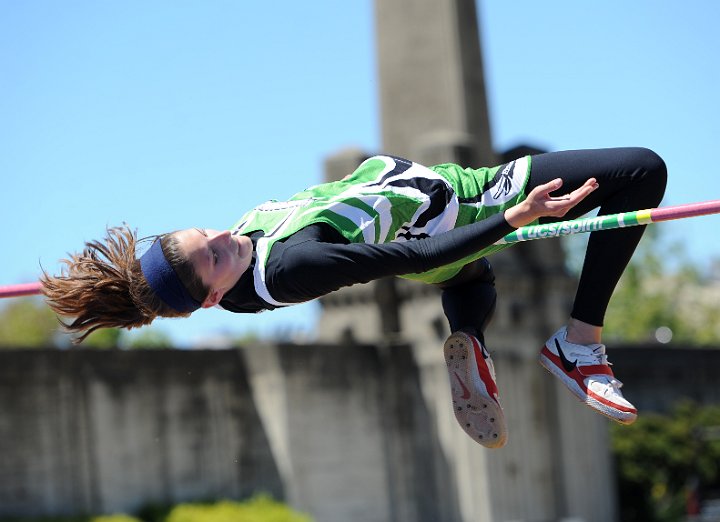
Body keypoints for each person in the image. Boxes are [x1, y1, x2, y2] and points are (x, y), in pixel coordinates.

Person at [42, 147, 667, 448]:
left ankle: (470, 339)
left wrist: (130, 287)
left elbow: (167, 284)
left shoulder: (224, 278)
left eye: (206, 232)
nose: (226, 236)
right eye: (216, 254)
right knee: (642, 173)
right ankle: (578, 345)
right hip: (458, 207)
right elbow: (419, 256)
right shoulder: (296, 266)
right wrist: (515, 219)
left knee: (472, 284)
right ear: (213, 299)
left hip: (421, 197)